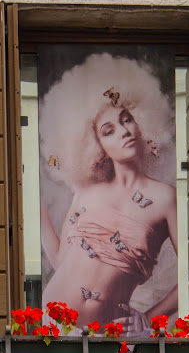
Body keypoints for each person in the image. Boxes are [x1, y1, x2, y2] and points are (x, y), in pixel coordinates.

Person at [39, 52, 178, 335]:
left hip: (110, 335)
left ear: (142, 122)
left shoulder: (165, 198)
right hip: (54, 326)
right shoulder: (86, 189)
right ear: (96, 145)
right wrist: (36, 209)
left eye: (127, 120)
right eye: (108, 131)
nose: (124, 131)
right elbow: (61, 261)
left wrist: (148, 318)